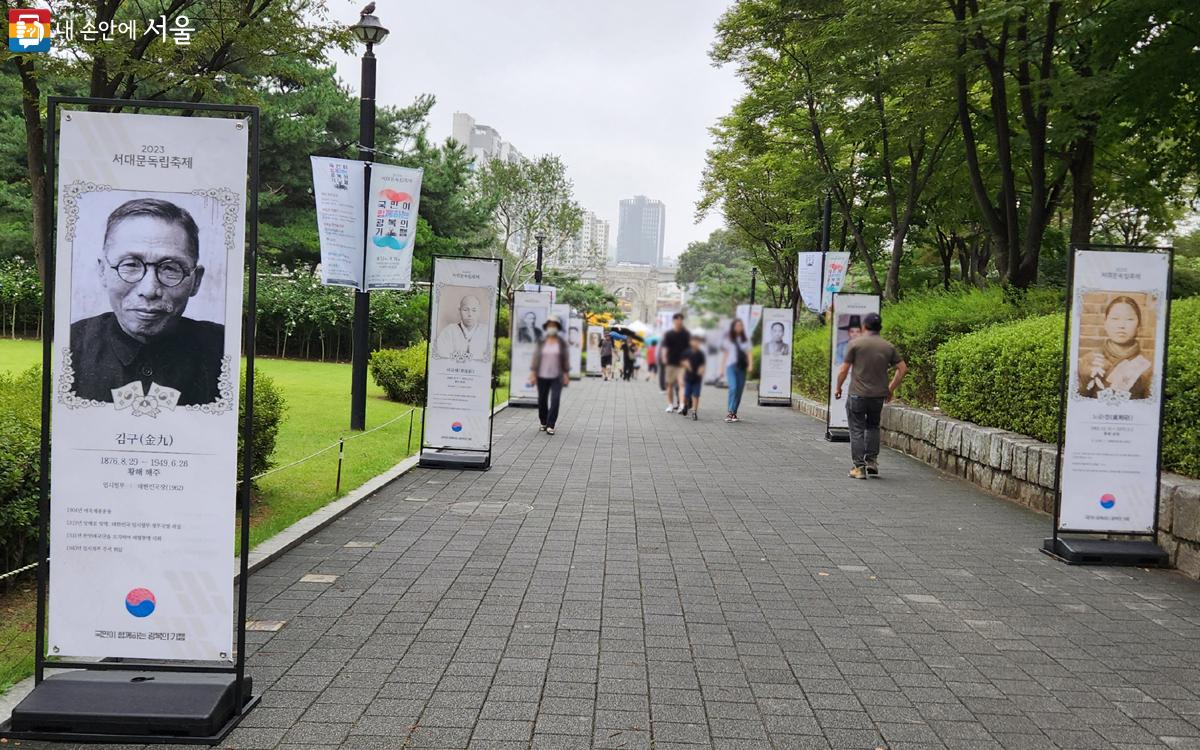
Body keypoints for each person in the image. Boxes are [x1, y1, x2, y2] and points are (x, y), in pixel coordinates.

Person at [70, 197, 224, 406]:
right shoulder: (70, 346)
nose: (150, 290)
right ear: (102, 271)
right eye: (131, 264)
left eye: (170, 268)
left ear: (196, 280)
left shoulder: (223, 348)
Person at [834, 312, 908, 479]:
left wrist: (838, 388)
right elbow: (903, 369)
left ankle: (859, 468)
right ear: (880, 327)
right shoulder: (888, 346)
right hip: (877, 396)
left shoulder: (855, 344)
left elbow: (844, 369)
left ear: (864, 327)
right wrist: (890, 388)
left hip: (857, 395)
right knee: (873, 426)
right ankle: (872, 462)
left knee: (857, 429)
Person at [1079, 296, 1152, 400]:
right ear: (1105, 323)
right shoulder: (1090, 359)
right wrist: (1086, 381)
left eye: (1129, 319)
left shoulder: (1148, 364)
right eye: (1115, 318)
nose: (1121, 325)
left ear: (1138, 325)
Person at [528, 318, 570, 434]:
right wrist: (533, 373)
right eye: (550, 325)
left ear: (557, 328)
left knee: (555, 399)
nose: (552, 327)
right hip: (542, 375)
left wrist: (566, 374)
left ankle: (551, 424)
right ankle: (543, 421)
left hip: (557, 376)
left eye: (554, 325)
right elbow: (536, 357)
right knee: (542, 399)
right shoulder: (542, 341)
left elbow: (565, 358)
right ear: (547, 327)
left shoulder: (561, 342)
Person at [718, 317, 752, 422]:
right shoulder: (728, 339)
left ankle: (734, 413)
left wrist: (750, 365)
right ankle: (730, 412)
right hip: (731, 367)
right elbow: (725, 355)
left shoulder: (745, 339)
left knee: (739, 391)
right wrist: (721, 368)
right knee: (733, 387)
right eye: (737, 325)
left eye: (740, 326)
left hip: (742, 367)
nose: (739, 327)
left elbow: (749, 353)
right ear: (733, 327)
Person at [435, 293, 487, 358]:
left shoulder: (486, 331)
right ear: (459, 310)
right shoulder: (449, 331)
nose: (470, 314)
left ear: (479, 311)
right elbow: (441, 354)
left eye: (474, 310)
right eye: (465, 310)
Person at [661, 313, 690, 412]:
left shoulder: (686, 334)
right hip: (671, 363)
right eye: (677, 320)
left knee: (682, 384)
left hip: (682, 364)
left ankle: (682, 405)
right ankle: (670, 405)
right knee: (670, 384)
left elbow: (689, 349)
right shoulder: (669, 334)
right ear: (674, 321)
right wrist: (664, 358)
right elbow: (665, 348)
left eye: (681, 320)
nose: (679, 322)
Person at [681, 334, 706, 420]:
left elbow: (703, 365)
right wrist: (686, 364)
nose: (696, 343)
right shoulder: (686, 352)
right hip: (688, 378)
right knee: (686, 395)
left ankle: (694, 412)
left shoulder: (701, 354)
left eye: (697, 342)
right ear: (690, 342)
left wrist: (701, 370)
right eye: (694, 341)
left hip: (697, 379)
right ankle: (685, 405)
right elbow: (682, 362)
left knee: (696, 395)